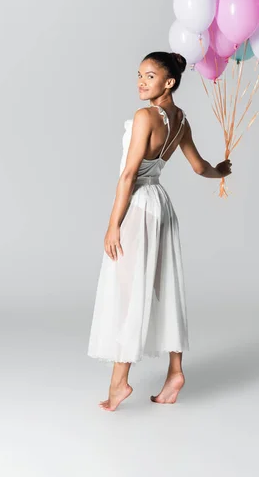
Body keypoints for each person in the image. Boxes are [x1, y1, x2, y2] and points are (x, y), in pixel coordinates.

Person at [87, 51, 232, 411]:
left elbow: (128, 175)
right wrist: (222, 171)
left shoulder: (145, 117)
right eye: (139, 74)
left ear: (169, 82)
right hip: (162, 206)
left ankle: (119, 384)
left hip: (138, 206)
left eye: (149, 76)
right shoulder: (181, 120)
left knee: (129, 292)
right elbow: (200, 168)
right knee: (164, 287)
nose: (141, 81)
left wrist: (112, 225)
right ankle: (175, 372)